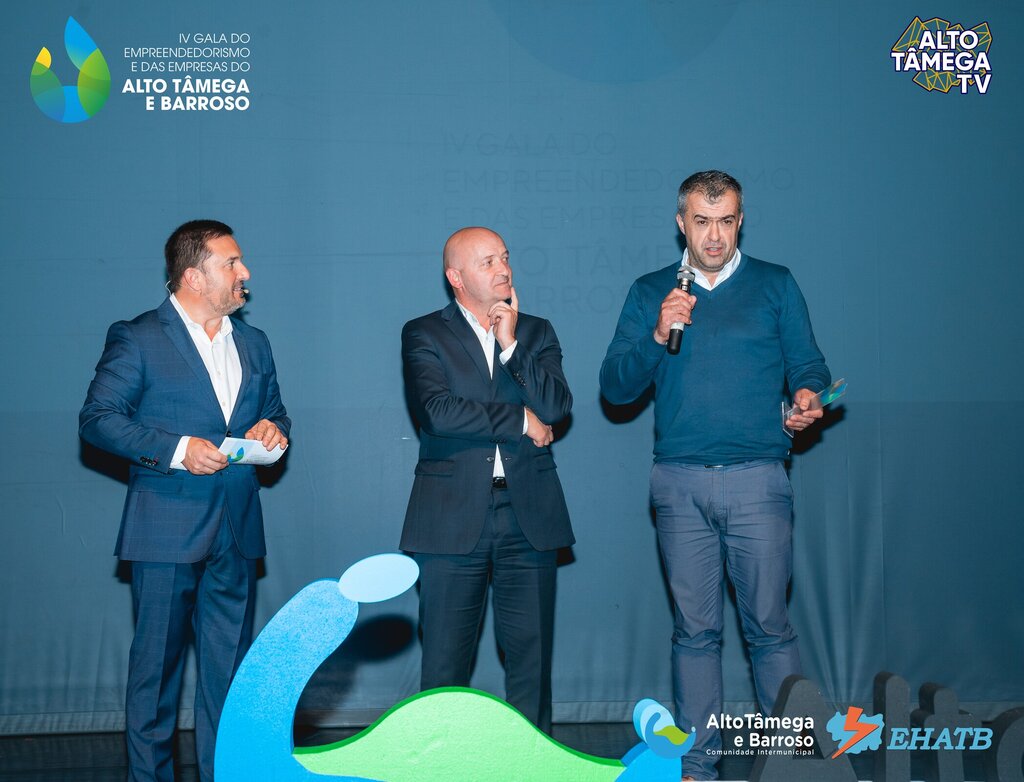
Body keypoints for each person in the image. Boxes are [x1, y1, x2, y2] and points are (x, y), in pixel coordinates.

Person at [599, 171, 831, 780]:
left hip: (759, 479)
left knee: (770, 629)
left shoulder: (776, 284)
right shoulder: (651, 291)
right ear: (681, 222)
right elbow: (615, 387)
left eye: (726, 221)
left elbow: (808, 365)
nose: (714, 236)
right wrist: (657, 334)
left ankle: (792, 761)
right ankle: (698, 763)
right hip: (679, 483)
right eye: (702, 222)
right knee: (694, 632)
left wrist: (808, 395)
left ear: (740, 220)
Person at [79, 220, 290, 782]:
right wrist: (176, 450)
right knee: (156, 675)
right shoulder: (139, 337)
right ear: (194, 276)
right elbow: (97, 419)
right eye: (232, 263)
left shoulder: (254, 342)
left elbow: (275, 412)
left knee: (232, 678)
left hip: (237, 529)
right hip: (165, 528)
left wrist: (273, 430)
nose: (245, 272)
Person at [400, 226, 574, 733]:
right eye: (488, 262)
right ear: (456, 277)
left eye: (505, 257)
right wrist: (519, 420)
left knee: (531, 665)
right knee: (444, 664)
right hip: (450, 518)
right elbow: (438, 412)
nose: (503, 269)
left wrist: (511, 345)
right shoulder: (424, 333)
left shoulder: (535, 332)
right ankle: (440, 762)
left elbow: (556, 407)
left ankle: (533, 764)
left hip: (529, 517)